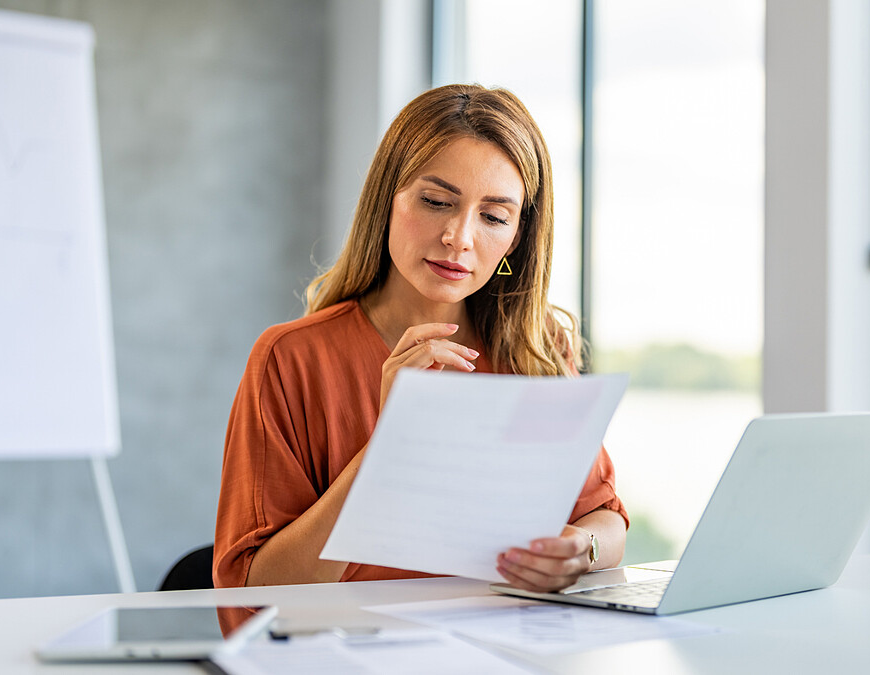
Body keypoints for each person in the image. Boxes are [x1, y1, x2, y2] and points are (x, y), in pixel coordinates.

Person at [213, 84, 627, 594]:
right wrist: (389, 447)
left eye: (494, 216)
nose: (459, 236)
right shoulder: (291, 359)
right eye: (435, 201)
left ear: (516, 236)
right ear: (387, 198)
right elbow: (253, 590)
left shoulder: (536, 347)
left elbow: (605, 521)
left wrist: (578, 552)